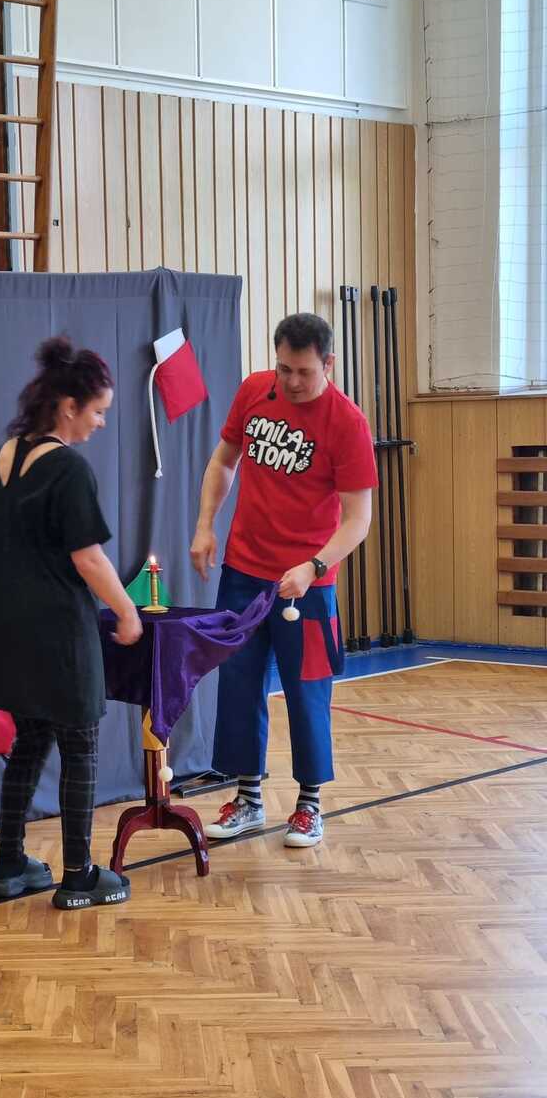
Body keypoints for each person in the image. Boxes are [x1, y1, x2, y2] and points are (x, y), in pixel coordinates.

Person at [0, 336, 143, 909]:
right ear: (69, 406)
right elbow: (88, 558)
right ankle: (78, 875)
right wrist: (126, 610)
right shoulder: (68, 468)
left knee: (29, 741)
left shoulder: (4, 457)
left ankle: (8, 863)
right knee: (80, 746)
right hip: (57, 630)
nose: (100, 422)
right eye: (97, 411)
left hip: (6, 627)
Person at [190, 312, 376, 848]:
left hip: (308, 585)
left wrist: (314, 566)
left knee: (306, 691)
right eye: (283, 368)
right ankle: (248, 799)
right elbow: (223, 462)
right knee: (239, 684)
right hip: (243, 571)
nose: (291, 381)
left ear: (328, 363)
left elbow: (358, 520)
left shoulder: (347, 423)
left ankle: (309, 806)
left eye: (303, 371)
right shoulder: (254, 392)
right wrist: (205, 526)